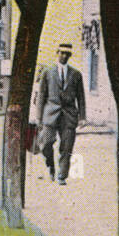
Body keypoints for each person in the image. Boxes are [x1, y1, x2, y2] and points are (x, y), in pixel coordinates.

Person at [35, 42, 86, 184]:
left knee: (67, 147)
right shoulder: (47, 72)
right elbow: (41, 97)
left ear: (70, 55)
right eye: (61, 53)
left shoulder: (76, 74)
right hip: (50, 115)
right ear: (57, 53)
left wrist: (82, 117)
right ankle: (50, 165)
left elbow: (81, 97)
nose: (64, 56)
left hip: (69, 116)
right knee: (45, 143)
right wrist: (39, 117)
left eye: (67, 54)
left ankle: (62, 176)